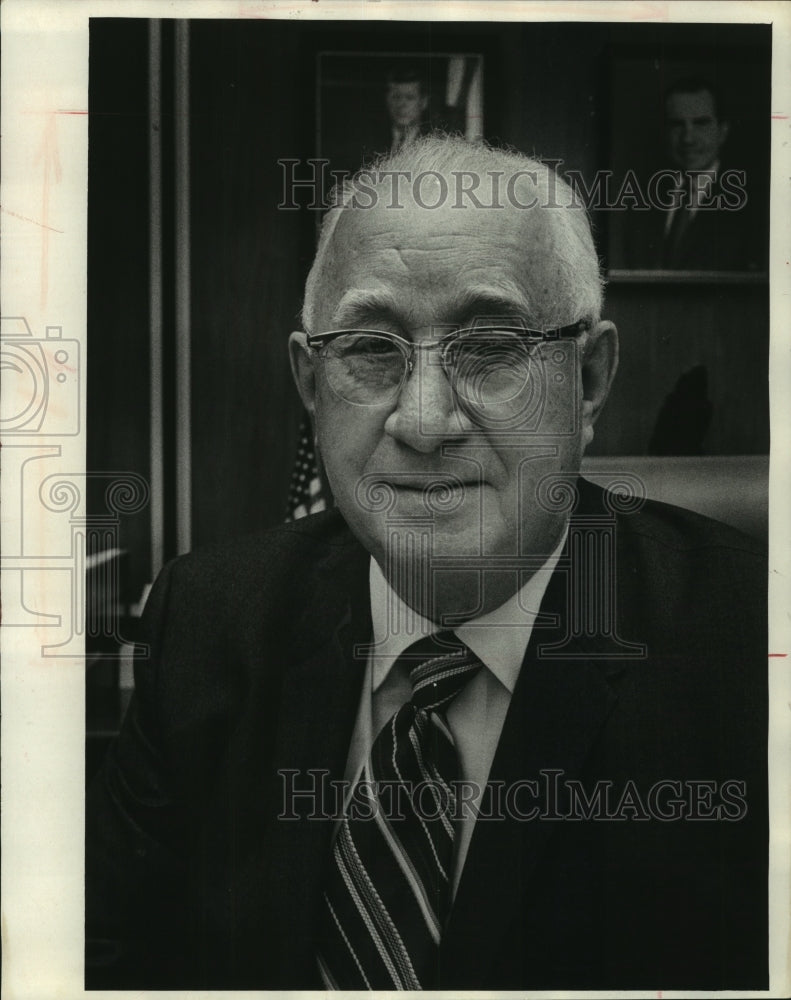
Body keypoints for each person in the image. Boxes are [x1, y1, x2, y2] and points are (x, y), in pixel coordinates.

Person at [86, 135, 767, 991]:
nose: (424, 420)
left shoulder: (752, 649)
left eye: (490, 348)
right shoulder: (207, 619)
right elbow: (103, 958)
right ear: (310, 381)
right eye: (371, 350)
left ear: (588, 379)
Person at [624, 77, 762, 270]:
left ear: (722, 131)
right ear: (665, 132)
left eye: (700, 123)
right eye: (677, 124)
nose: (688, 138)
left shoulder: (755, 203)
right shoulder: (640, 199)